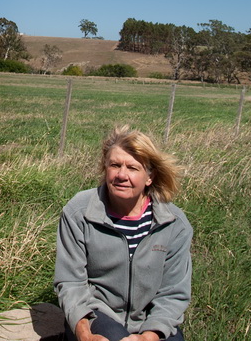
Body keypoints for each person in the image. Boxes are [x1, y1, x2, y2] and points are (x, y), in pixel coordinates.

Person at [55, 126, 192, 341]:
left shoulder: (174, 224)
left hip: (150, 319)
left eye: (132, 168)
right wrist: (84, 334)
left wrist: (148, 336)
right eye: (115, 165)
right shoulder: (79, 213)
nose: (121, 175)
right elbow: (71, 283)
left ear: (149, 177)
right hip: (96, 314)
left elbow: (173, 293)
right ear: (105, 168)